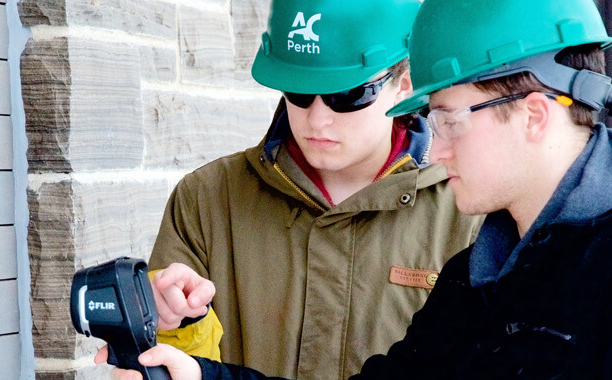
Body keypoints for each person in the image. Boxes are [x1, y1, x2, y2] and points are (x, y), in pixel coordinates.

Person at [108, 0, 612, 378]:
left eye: (450, 122)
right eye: (299, 94)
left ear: (534, 116)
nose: (436, 152)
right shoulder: (480, 273)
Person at [132, 0, 482, 378]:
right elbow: (165, 361)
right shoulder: (207, 198)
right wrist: (178, 323)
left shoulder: (469, 208)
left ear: (404, 85)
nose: (317, 119)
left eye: (347, 95)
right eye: (298, 92)